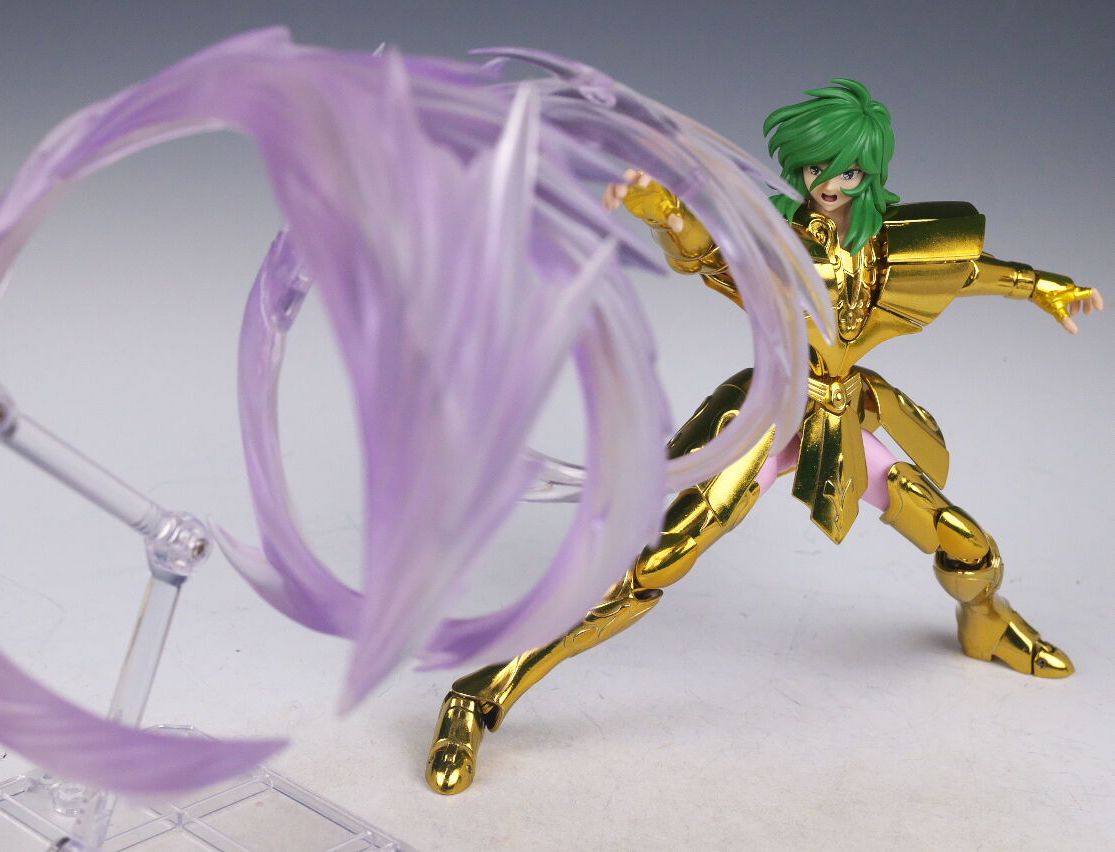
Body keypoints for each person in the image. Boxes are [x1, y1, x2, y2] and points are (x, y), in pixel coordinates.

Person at [423, 78, 1102, 795]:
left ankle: (986, 622)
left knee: (969, 547)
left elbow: (965, 272)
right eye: (813, 169)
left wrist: (1042, 286)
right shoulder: (773, 240)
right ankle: (478, 693)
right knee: (651, 566)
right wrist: (666, 213)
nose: (828, 184)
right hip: (766, 417)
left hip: (837, 421)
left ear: (870, 171)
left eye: (845, 170)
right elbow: (706, 249)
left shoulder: (889, 245)